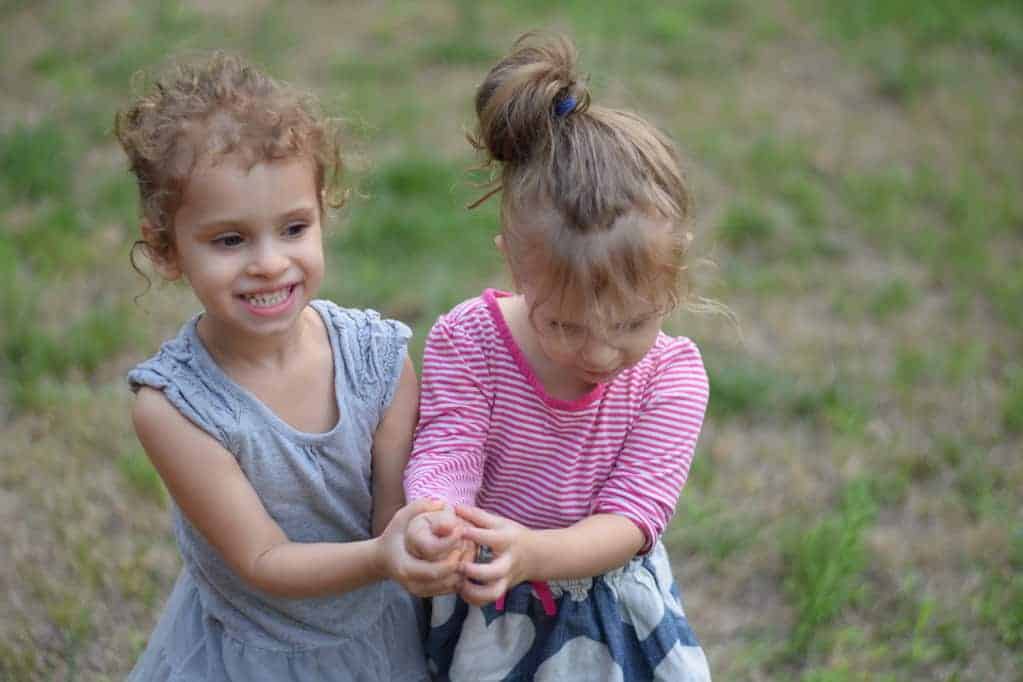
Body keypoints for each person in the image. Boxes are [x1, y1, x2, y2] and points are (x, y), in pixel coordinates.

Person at [116, 52, 459, 681]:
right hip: (261, 655)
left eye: (294, 228)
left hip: (380, 638)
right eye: (230, 240)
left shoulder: (377, 359)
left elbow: (395, 513)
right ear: (167, 251)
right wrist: (384, 557)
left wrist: (421, 537)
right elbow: (264, 559)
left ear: (323, 215)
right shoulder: (174, 408)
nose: (270, 263)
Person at [403, 33, 713, 681]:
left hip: (601, 607)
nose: (599, 352)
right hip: (489, 596)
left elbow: (634, 516)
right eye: (564, 325)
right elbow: (448, 445)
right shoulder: (468, 339)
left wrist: (535, 554)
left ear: (673, 275)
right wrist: (436, 516)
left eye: (632, 322)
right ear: (514, 264)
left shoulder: (672, 377)